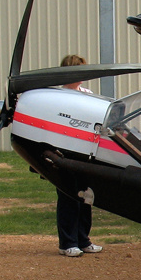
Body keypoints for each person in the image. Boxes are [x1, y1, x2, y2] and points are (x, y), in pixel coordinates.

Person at [56, 54, 102, 257]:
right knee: (68, 196)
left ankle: (83, 239)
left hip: (84, 152)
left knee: (85, 196)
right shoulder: (56, 97)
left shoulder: (87, 93)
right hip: (65, 152)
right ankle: (67, 242)